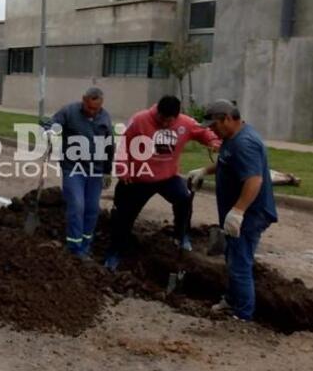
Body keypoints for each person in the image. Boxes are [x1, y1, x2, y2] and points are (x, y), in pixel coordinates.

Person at [105, 95, 220, 270]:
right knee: (123, 217)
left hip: (167, 177)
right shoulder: (140, 120)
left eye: (170, 121)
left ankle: (181, 235)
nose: (165, 124)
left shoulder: (186, 123)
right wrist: (122, 167)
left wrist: (213, 142)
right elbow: (123, 144)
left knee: (184, 199)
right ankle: (115, 252)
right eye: (162, 119)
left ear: (177, 116)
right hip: (139, 177)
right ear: (157, 111)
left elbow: (204, 133)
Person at [187, 100, 277, 321]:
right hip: (239, 212)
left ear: (227, 118)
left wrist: (238, 211)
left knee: (239, 264)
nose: (211, 130)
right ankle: (233, 300)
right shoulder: (232, 138)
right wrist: (205, 170)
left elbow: (254, 180)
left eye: (214, 125)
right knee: (232, 257)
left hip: (250, 214)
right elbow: (228, 162)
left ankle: (242, 316)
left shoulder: (245, 143)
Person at [45, 87, 114, 257]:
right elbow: (53, 123)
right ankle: (74, 248)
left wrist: (107, 170)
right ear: (83, 100)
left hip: (95, 170)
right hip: (73, 168)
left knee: (91, 209)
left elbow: (109, 145)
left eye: (96, 109)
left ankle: (85, 245)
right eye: (89, 107)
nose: (92, 112)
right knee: (77, 205)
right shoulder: (69, 111)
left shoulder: (104, 117)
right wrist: (49, 130)